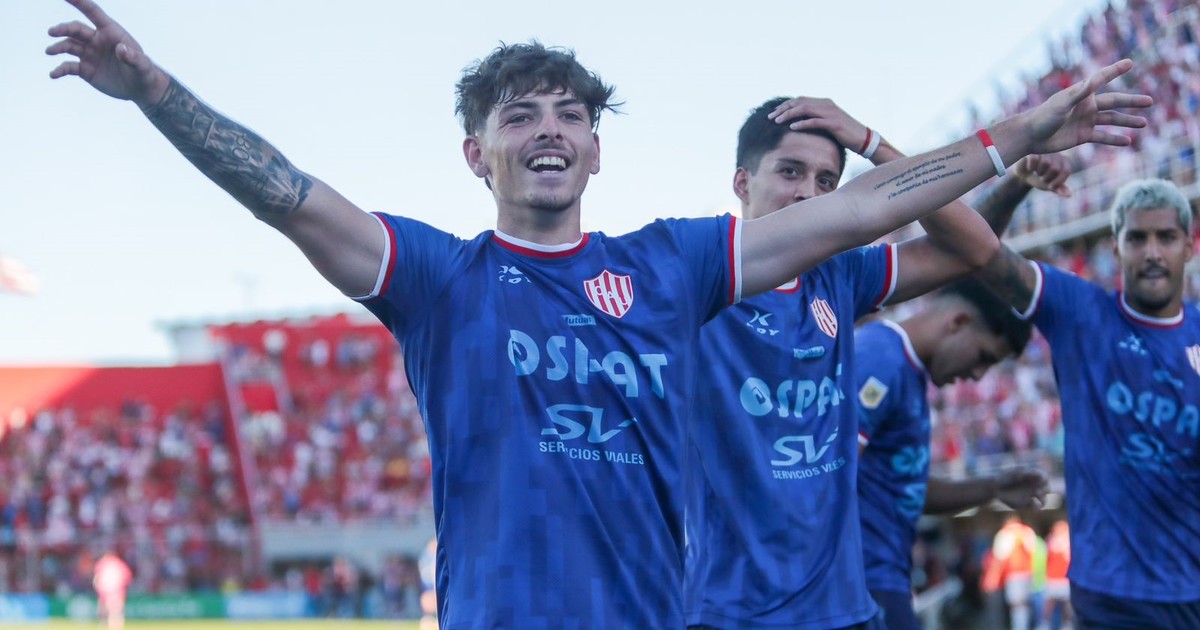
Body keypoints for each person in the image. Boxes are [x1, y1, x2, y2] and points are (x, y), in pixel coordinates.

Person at [46, 0, 1151, 625]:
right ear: (475, 154)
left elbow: (861, 211)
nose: (549, 129)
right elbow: (285, 193)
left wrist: (1021, 131)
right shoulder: (438, 278)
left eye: (570, 114)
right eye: (518, 114)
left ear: (596, 149)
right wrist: (156, 93)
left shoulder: (672, 266)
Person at [685, 97, 1063, 629]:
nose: (808, 193)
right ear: (742, 183)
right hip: (733, 610)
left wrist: (873, 144)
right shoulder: (698, 280)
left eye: (826, 181)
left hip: (844, 607)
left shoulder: (839, 275)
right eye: (790, 172)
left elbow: (971, 247)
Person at [974, 176, 1200, 628]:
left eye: (1166, 237)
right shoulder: (1080, 311)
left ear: (1189, 247)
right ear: (1115, 249)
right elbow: (975, 248)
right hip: (1111, 597)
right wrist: (1017, 181)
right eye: (1137, 238)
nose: (1152, 252)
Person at [854, 277, 1049, 630]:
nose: (977, 375)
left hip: (882, 581)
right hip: (859, 584)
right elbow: (828, 473)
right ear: (958, 322)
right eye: (983, 357)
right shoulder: (878, 359)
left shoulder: (906, 372)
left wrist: (992, 488)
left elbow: (905, 488)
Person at [983, 514, 1041, 630]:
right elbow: (1035, 552)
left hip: (1013, 575)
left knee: (1016, 605)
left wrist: (993, 577)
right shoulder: (1027, 531)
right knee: (1025, 604)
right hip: (1028, 574)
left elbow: (1000, 558)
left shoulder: (1005, 533)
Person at [1041, 519, 1072, 630]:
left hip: (1066, 578)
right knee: (1049, 603)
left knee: (1067, 604)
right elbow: (1045, 559)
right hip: (1052, 578)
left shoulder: (1070, 542)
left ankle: (1067, 624)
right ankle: (1045, 624)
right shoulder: (1051, 541)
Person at [93, 549, 132, 630]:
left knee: (106, 610)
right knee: (115, 612)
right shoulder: (120, 564)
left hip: (106, 591)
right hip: (116, 591)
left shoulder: (103, 564)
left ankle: (105, 625)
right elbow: (127, 577)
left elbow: (97, 578)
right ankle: (115, 626)